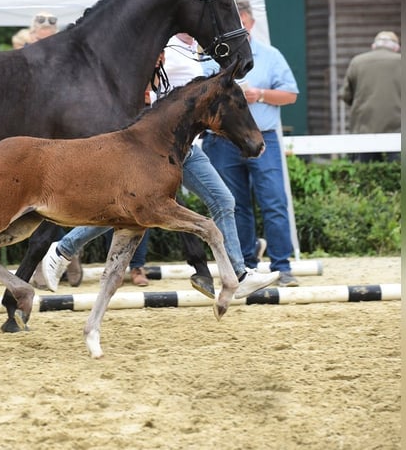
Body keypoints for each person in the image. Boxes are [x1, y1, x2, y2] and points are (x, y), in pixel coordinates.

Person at [41, 33, 280, 297]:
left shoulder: (196, 50)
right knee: (126, 208)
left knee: (221, 200)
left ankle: (240, 273)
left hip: (186, 148)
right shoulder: (170, 48)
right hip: (155, 147)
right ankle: (63, 248)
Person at [201, 0, 300, 287]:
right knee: (233, 205)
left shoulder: (270, 55)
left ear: (250, 23)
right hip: (223, 140)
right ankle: (245, 266)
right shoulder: (211, 58)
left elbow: (291, 95)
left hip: (262, 137)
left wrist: (261, 94)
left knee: (274, 201)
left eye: (239, 24)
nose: (234, 30)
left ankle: (282, 266)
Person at [340, 31, 401, 162]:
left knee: (366, 172)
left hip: (364, 128)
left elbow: (346, 95)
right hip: (399, 129)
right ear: (396, 48)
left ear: (374, 46)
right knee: (397, 172)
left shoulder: (357, 62)